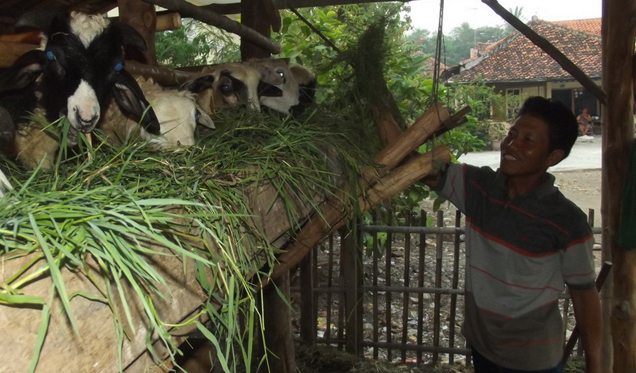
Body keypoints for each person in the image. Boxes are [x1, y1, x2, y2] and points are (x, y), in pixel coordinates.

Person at [423, 96, 601, 372]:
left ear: (553, 156)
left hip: (533, 361)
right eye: (512, 134)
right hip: (482, 347)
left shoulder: (567, 222)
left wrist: (597, 366)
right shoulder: (479, 189)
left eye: (528, 141)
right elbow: (419, 168)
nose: (511, 145)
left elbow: (585, 297)